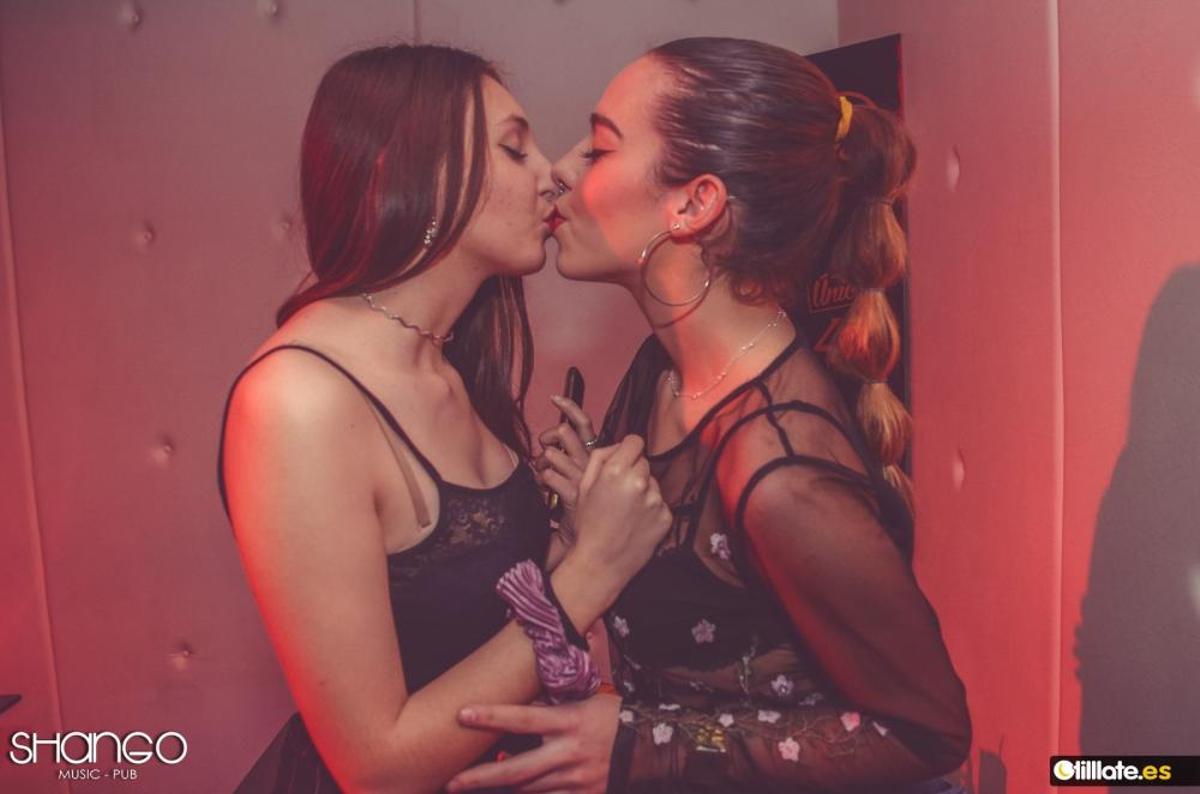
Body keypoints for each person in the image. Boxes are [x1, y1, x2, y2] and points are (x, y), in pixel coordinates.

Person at [446, 37, 972, 794]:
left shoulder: (780, 472)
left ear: (695, 205)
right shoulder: (660, 372)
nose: (560, 168)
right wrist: (590, 521)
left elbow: (930, 734)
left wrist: (642, 745)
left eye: (599, 149)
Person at [217, 43, 671, 793]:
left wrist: (571, 538)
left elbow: (465, 626)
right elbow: (376, 767)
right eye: (514, 148)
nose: (551, 174)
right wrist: (592, 574)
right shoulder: (300, 401)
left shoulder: (445, 361)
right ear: (419, 173)